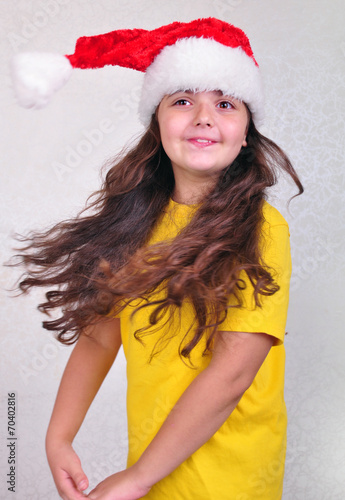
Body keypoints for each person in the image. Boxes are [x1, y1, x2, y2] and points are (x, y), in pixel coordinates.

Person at [13, 18, 303, 500]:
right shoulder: (135, 222)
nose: (204, 117)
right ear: (157, 122)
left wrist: (136, 477)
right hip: (150, 472)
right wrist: (58, 436)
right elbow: (102, 336)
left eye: (225, 103)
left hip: (230, 479)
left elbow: (233, 372)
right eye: (183, 100)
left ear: (247, 131)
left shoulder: (261, 228)